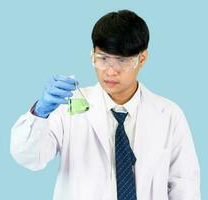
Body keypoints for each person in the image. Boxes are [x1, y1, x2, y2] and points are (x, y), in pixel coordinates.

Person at [10, 9, 201, 200]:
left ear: (142, 59)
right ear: (92, 54)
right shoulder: (69, 108)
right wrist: (39, 113)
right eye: (102, 59)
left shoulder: (169, 115)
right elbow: (30, 158)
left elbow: (185, 186)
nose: (110, 71)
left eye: (121, 61)